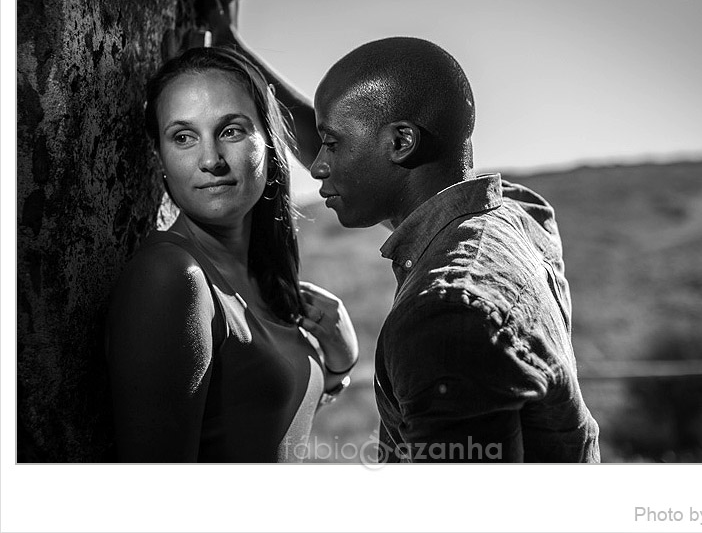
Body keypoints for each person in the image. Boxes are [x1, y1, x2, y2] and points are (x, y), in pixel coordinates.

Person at [309, 37, 600, 462]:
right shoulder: (515, 215)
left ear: (401, 143)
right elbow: (372, 166)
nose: (317, 166)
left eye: (331, 144)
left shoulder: (446, 319)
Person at [105, 46, 358, 462]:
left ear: (270, 143)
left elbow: (257, 420)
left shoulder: (261, 278)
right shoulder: (173, 277)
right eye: (183, 137)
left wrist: (339, 366)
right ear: (160, 158)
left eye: (231, 131)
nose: (210, 160)